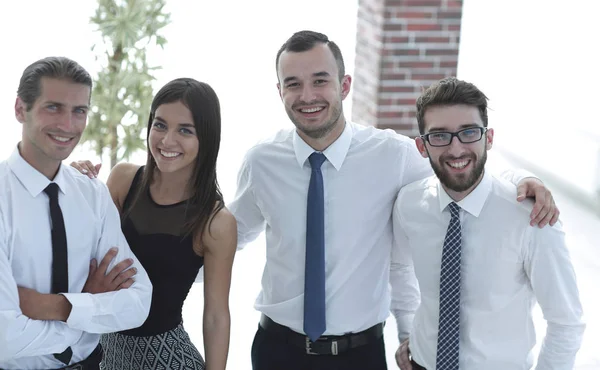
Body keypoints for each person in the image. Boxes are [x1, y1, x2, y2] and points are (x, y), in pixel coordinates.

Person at [228, 30, 560, 370]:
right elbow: (227, 235)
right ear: (280, 91)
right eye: (293, 84)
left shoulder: (392, 156)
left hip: (360, 355)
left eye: (320, 80)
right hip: (276, 352)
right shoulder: (261, 162)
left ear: (344, 86)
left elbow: (457, 167)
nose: (307, 95)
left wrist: (520, 180)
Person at [393, 77, 585, 370]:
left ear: (489, 138)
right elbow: (401, 268)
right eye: (440, 136)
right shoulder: (409, 203)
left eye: (469, 132)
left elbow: (566, 322)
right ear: (422, 146)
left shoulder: (531, 218)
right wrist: (408, 333)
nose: (456, 149)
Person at [70, 77, 237, 370]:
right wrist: (73, 187)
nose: (167, 140)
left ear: (206, 138)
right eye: (160, 125)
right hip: (102, 353)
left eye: (185, 130)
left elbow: (216, 316)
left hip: (167, 359)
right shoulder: (123, 180)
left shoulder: (216, 222)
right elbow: (81, 253)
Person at [0, 56, 153, 370]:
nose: (68, 125)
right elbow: (3, 335)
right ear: (20, 109)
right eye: (53, 107)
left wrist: (58, 306)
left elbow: (138, 302)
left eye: (79, 111)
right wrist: (88, 309)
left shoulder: (92, 193)